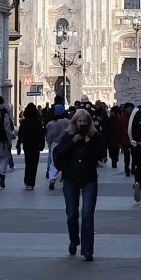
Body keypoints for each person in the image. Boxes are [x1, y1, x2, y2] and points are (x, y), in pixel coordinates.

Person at [52, 108, 108, 261]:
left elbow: (102, 155)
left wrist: (89, 144)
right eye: (79, 121)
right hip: (70, 178)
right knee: (71, 215)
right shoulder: (69, 135)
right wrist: (73, 142)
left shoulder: (95, 137)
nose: (82, 124)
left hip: (89, 178)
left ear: (89, 123)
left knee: (87, 214)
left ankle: (87, 250)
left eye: (85, 122)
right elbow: (58, 152)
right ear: (75, 122)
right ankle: (74, 240)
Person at [18, 103, 46, 190]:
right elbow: (41, 134)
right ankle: (31, 183)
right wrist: (42, 145)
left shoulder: (23, 122)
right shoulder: (38, 122)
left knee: (28, 163)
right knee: (34, 165)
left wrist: (18, 145)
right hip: (36, 146)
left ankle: (26, 181)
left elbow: (20, 135)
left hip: (27, 146)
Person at [42, 109, 70, 191]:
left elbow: (50, 136)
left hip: (55, 144)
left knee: (54, 162)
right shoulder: (68, 122)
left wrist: (49, 144)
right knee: (66, 161)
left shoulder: (52, 124)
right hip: (66, 143)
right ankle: (65, 179)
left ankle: (52, 180)